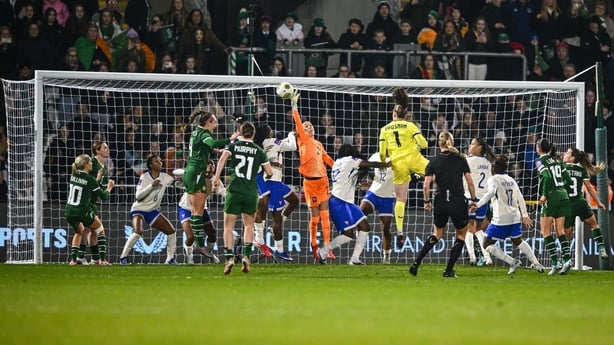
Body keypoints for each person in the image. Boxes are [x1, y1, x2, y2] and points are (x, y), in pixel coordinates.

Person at [409, 131, 476, 278]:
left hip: (440, 201)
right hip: (457, 200)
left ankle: (416, 262)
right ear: (452, 142)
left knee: (437, 234)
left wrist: (427, 202)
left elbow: (426, 185)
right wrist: (474, 199)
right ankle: (449, 270)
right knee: (461, 235)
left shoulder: (433, 161)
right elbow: (470, 181)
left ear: (439, 143)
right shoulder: (460, 159)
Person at [212, 122, 273, 275]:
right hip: (251, 192)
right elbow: (270, 172)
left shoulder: (233, 146)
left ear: (240, 132)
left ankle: (229, 258)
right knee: (249, 226)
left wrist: (216, 178)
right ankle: (246, 256)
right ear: (253, 134)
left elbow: (222, 159)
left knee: (228, 227)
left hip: (234, 190)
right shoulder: (259, 150)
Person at [470, 155, 546, 274]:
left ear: (493, 168)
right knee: (518, 241)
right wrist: (525, 215)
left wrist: (478, 204)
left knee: (486, 244)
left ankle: (512, 261)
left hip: (501, 218)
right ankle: (536, 263)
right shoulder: (511, 179)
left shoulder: (493, 179)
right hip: (515, 216)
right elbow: (520, 196)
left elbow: (491, 192)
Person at [316, 144, 389, 265]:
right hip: (339, 201)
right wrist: (387, 164)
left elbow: (347, 178)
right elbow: (371, 164)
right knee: (348, 234)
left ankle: (354, 259)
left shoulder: (337, 163)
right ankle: (323, 251)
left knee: (364, 226)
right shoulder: (350, 160)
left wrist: (358, 182)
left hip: (346, 201)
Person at [182, 110, 239, 263]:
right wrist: (230, 139)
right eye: (214, 122)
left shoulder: (196, 132)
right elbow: (211, 142)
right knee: (197, 211)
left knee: (197, 210)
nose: (216, 124)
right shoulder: (205, 134)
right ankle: (200, 245)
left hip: (192, 172)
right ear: (207, 123)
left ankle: (200, 244)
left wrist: (216, 151)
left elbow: (204, 147)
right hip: (197, 174)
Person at [289, 89, 336, 260]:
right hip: (310, 184)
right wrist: (294, 105)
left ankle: (327, 247)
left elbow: (327, 159)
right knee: (315, 218)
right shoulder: (302, 140)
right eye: (306, 126)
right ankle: (314, 246)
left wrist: (338, 167)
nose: (308, 127)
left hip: (323, 181)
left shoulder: (318, 143)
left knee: (325, 216)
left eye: (310, 125)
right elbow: (298, 122)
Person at [378, 87, 428, 245]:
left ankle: (400, 232)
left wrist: (385, 162)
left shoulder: (384, 129)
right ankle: (418, 177)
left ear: (394, 114)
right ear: (405, 115)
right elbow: (424, 144)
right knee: (436, 173)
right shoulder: (411, 126)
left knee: (401, 199)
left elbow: (381, 153)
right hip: (414, 158)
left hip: (397, 163)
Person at [119, 155, 178, 265]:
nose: (160, 163)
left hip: (153, 211)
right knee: (138, 231)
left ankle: (170, 259)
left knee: (171, 231)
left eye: (160, 161)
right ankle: (123, 257)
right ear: (150, 165)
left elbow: (176, 183)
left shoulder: (165, 177)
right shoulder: (144, 177)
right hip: (139, 209)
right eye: (156, 161)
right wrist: (151, 186)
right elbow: (138, 196)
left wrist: (185, 180)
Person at [253, 125, 299, 262]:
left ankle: (262, 236)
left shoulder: (262, 144)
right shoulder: (273, 141)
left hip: (273, 181)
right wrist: (291, 134)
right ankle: (279, 250)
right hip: (273, 183)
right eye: (270, 130)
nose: (272, 132)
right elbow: (292, 147)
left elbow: (279, 144)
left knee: (294, 201)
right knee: (276, 218)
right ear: (268, 133)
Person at [65, 154, 114, 265]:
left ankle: (73, 260)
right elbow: (104, 197)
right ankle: (102, 260)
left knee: (79, 232)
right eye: (90, 162)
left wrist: (97, 179)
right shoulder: (89, 179)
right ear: (86, 165)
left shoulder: (73, 176)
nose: (92, 164)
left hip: (69, 211)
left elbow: (87, 187)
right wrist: (109, 188)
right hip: (82, 210)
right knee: (100, 229)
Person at [174, 160, 224, 264]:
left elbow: (224, 193)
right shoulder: (195, 174)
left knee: (212, 234)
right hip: (186, 208)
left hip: (202, 209)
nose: (211, 167)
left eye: (213, 165)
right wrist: (188, 172)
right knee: (190, 237)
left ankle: (208, 253)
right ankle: (189, 256)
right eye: (208, 164)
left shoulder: (215, 180)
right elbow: (176, 172)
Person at [562, 147, 608, 258]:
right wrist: (599, 202)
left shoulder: (562, 168)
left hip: (567, 205)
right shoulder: (582, 170)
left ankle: (566, 259)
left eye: (567, 153)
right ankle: (601, 248)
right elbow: (590, 188)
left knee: (567, 234)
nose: (564, 154)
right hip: (580, 202)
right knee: (594, 225)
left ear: (572, 158)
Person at [535, 138, 573, 275]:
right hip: (563, 197)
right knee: (560, 232)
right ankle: (567, 260)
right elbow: (568, 180)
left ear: (539, 148)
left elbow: (547, 177)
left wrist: (544, 195)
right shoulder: (557, 161)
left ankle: (555, 262)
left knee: (545, 232)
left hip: (551, 198)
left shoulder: (540, 161)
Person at [77, 141, 114, 265]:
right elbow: (88, 182)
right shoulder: (91, 164)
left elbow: (96, 185)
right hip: (86, 201)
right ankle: (82, 257)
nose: (107, 150)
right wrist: (107, 189)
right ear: (97, 151)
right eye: (104, 148)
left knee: (90, 230)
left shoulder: (104, 166)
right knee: (92, 229)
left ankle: (93, 258)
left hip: (92, 202)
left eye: (107, 148)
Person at [463, 137, 495, 266]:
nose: (470, 147)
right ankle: (487, 257)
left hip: (471, 197)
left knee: (468, 228)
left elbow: (464, 178)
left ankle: (472, 257)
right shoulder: (488, 163)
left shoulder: (469, 161)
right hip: (483, 199)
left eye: (472, 144)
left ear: (479, 147)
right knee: (478, 229)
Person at [359, 152, 395, 263]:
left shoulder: (398, 157)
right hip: (374, 192)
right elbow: (368, 169)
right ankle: (359, 230)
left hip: (388, 196)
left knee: (385, 229)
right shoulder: (376, 156)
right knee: (361, 210)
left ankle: (386, 257)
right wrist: (366, 181)